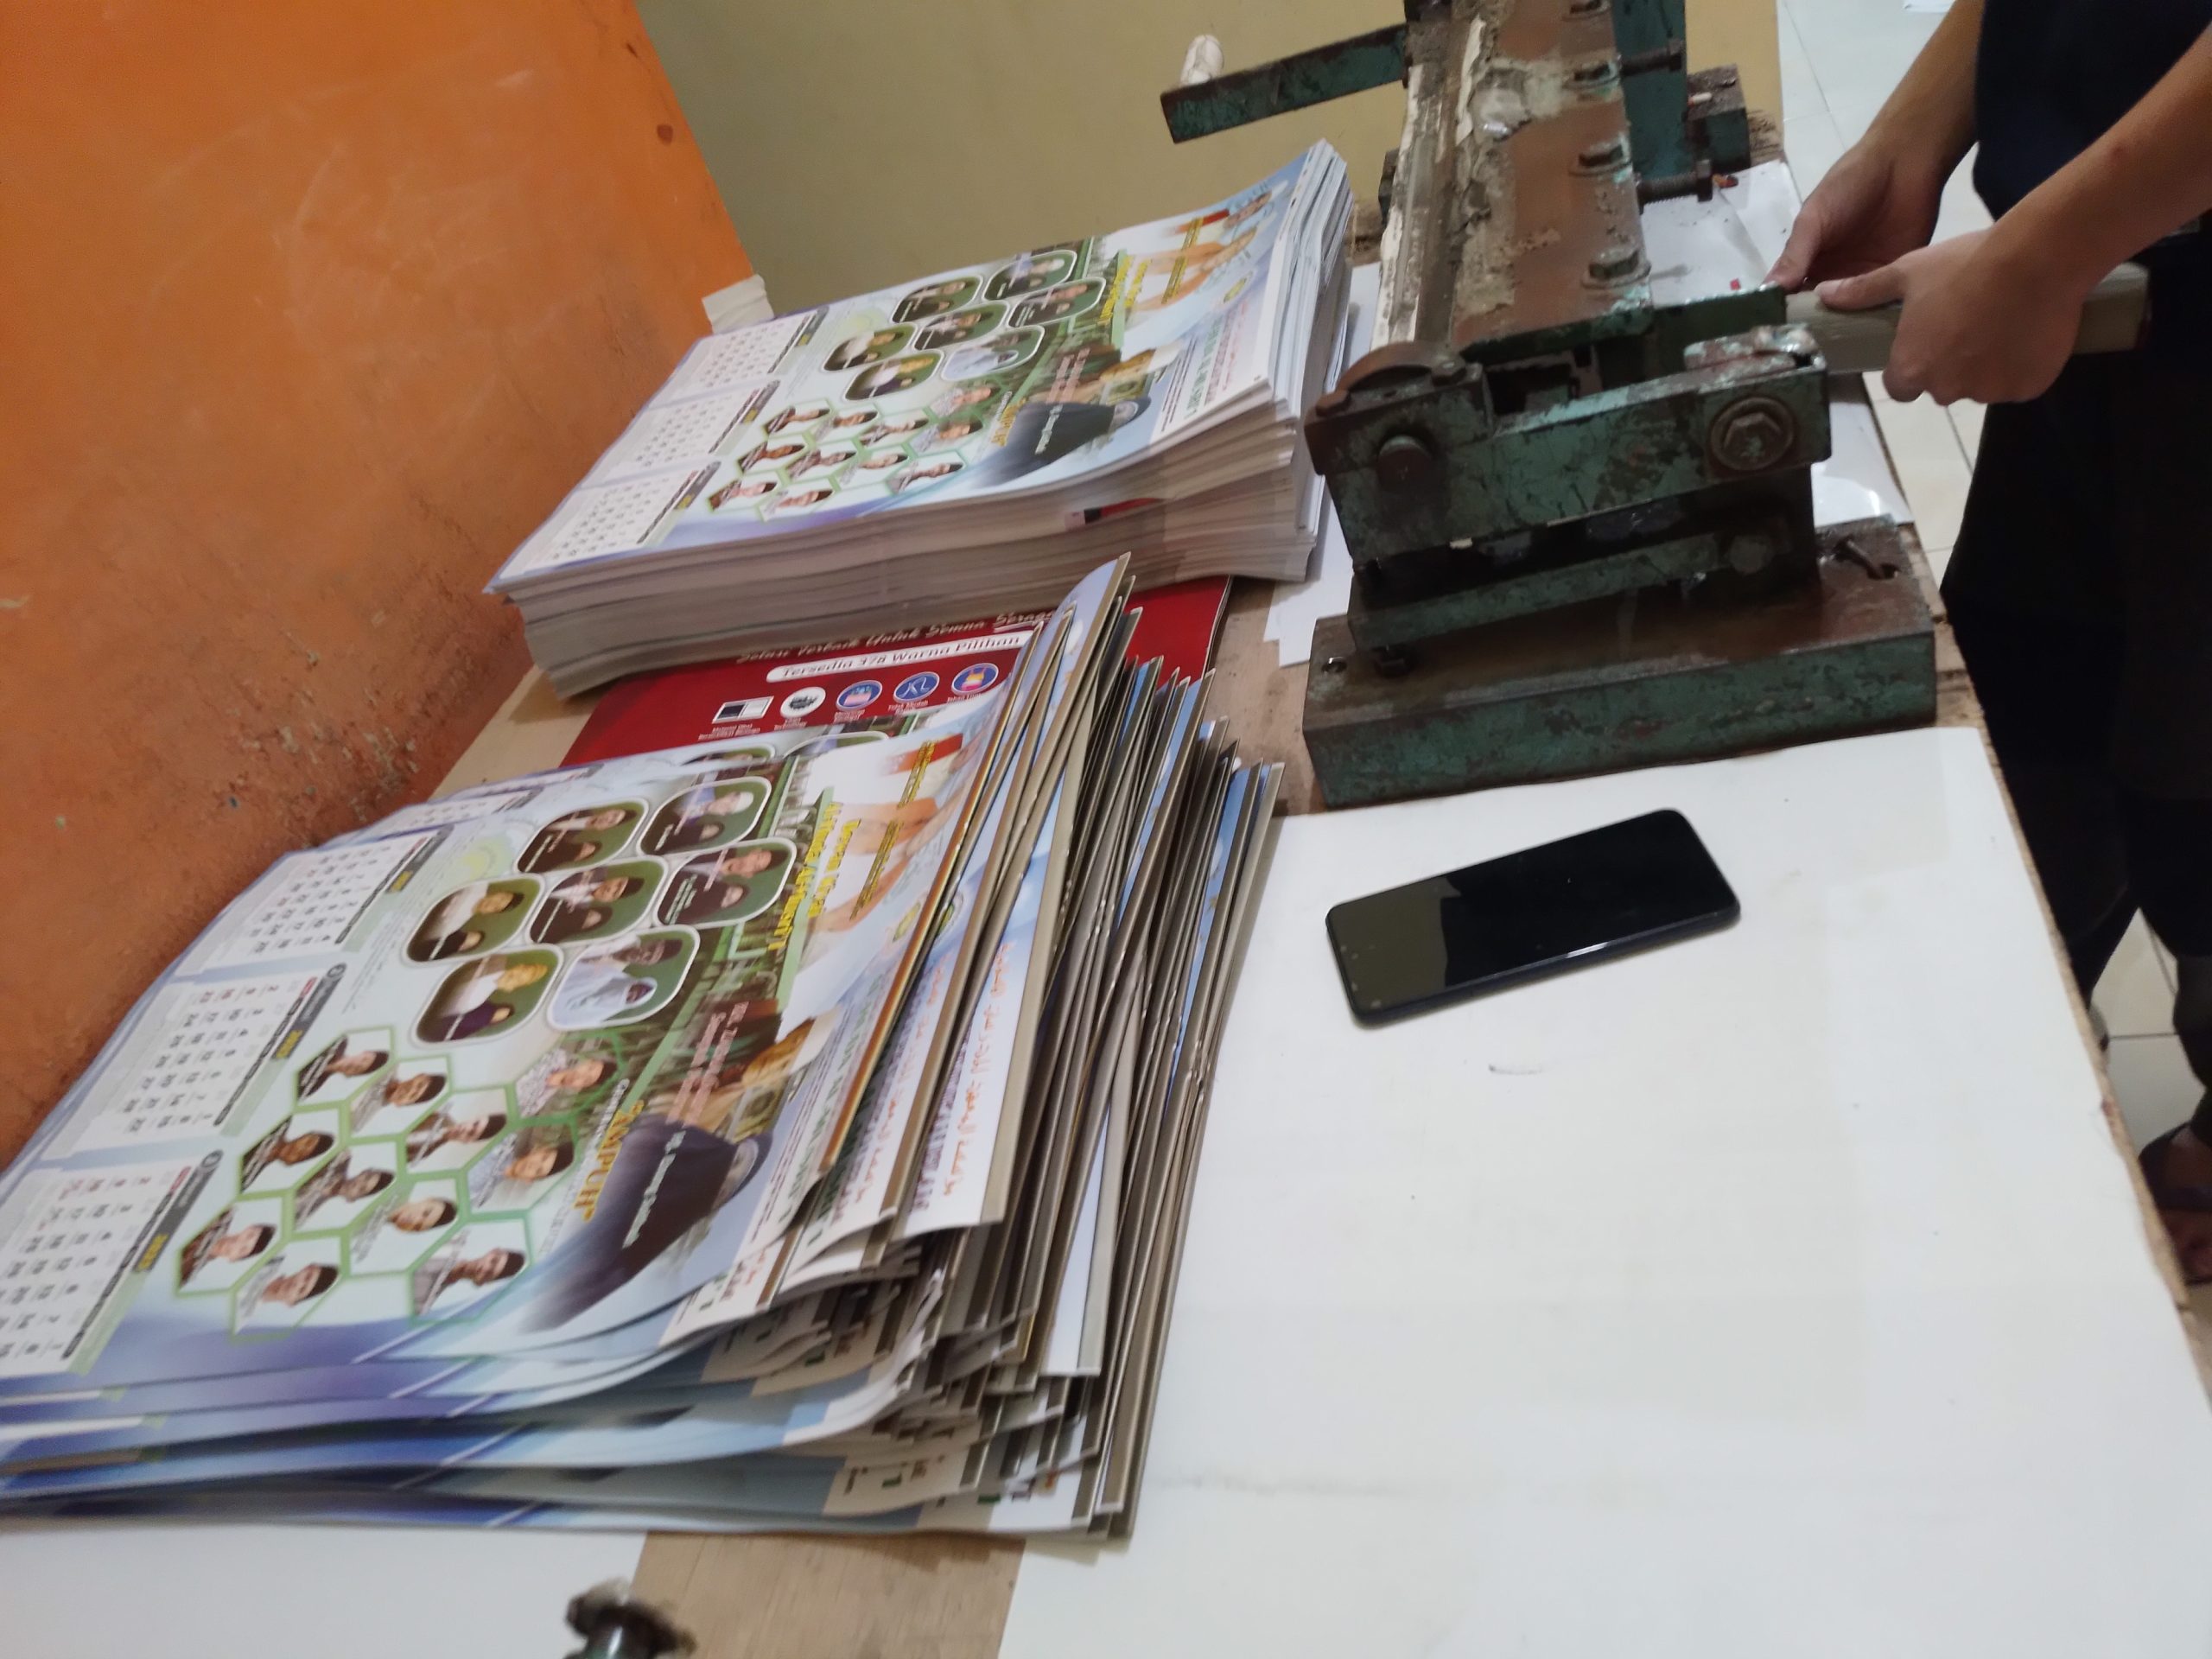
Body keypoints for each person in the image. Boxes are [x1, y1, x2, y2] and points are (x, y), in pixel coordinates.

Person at [1768, 2, 2212, 1279]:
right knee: (2030, 717)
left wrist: (2042, 255)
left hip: (2136, 264)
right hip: (2102, 264)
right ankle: (2011, 1075)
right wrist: (1911, 141)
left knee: (2196, 809)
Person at [178, 1213, 275, 1281]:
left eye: (242, 1250)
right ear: (249, 1227)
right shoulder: (218, 1217)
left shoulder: (186, 1272)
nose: (237, 1243)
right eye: (249, 1235)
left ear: (234, 1259)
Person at [407, 1105, 508, 1162]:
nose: (466, 1128)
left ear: (467, 1141)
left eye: (471, 1133)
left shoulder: (428, 1152)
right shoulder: (437, 1113)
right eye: (475, 1123)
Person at [295, 1038, 386, 1096]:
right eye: (364, 1059)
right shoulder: (339, 1041)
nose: (355, 1064)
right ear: (364, 1052)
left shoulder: (313, 1086)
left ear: (351, 1075)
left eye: (357, 1069)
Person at [258, 1262, 339, 1309]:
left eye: (301, 1290)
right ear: (308, 1267)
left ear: (291, 1303)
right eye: (307, 1277)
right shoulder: (269, 1263)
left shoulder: (250, 1313)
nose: (297, 1285)